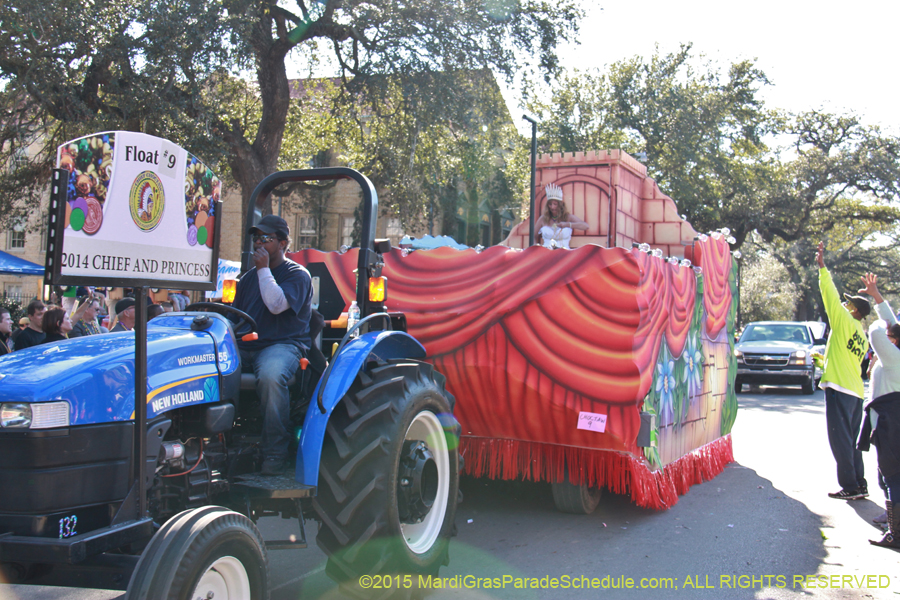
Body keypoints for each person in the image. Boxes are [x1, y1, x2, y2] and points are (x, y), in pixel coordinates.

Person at [232, 215, 313, 476]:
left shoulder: (297, 275)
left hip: (283, 345)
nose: (259, 243)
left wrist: (263, 270)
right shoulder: (247, 279)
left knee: (270, 375)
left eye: (266, 238)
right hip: (246, 345)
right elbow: (235, 317)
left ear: (283, 243)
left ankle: (275, 452)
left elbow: (277, 305)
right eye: (256, 238)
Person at [816, 241, 870, 500]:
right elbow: (847, 360)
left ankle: (850, 487)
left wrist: (822, 268)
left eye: (849, 304)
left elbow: (829, 294)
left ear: (855, 311)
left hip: (839, 389)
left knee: (840, 441)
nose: (844, 305)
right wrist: (822, 363)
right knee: (852, 440)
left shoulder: (844, 320)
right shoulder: (862, 335)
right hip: (856, 392)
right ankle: (860, 483)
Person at [856, 273, 900, 548]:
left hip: (891, 424)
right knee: (889, 476)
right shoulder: (895, 354)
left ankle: (896, 533)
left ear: (893, 340)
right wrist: (877, 297)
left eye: (891, 335)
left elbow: (875, 332)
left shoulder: (894, 358)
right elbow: (892, 326)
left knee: (892, 476)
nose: (888, 334)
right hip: (888, 422)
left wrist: (878, 318)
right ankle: (893, 521)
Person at [534, 183, 588, 249]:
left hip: (564, 252)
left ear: (560, 205)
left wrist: (567, 224)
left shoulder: (568, 217)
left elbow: (585, 226)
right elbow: (533, 236)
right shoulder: (543, 218)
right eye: (550, 204)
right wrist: (536, 248)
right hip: (546, 252)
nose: (552, 207)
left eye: (555, 204)